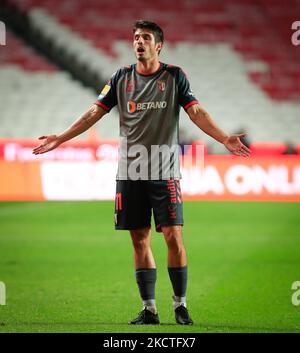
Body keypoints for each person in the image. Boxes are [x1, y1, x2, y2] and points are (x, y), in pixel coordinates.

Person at [33, 20, 250, 326]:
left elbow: (196, 111)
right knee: (139, 239)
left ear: (158, 45)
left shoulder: (174, 76)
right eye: (136, 37)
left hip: (165, 170)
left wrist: (223, 137)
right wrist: (61, 137)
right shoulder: (120, 77)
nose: (139, 42)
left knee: (173, 236)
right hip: (130, 171)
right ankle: (149, 309)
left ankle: (180, 305)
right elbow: (94, 112)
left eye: (145, 37)